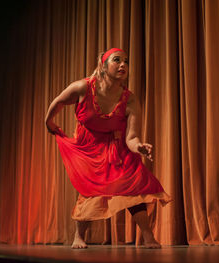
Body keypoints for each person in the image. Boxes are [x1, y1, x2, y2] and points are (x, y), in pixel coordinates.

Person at [45, 48, 172, 249]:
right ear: (103, 67)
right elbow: (58, 102)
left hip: (117, 147)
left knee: (133, 186)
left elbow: (131, 136)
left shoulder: (129, 99)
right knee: (91, 191)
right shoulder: (82, 88)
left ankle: (148, 235)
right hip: (89, 147)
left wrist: (138, 146)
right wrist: (49, 122)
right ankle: (79, 236)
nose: (123, 65)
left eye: (126, 62)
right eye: (117, 60)